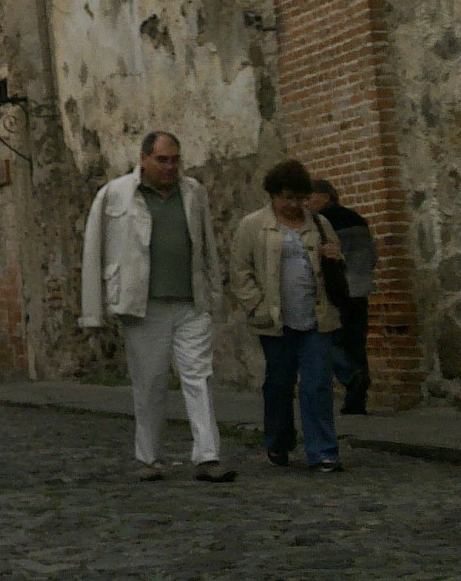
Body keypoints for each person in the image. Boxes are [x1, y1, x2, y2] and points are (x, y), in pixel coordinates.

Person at [79, 131, 235, 483]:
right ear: (144, 159)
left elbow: (206, 243)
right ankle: (148, 457)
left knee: (199, 376)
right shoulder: (115, 194)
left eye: (175, 159)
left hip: (190, 301)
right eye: (162, 160)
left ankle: (208, 455)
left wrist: (213, 293)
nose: (169, 167)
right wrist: (95, 309)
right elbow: (94, 251)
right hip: (142, 305)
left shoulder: (193, 192)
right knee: (150, 383)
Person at [230, 160, 345, 472]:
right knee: (279, 384)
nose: (294, 205)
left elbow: (336, 261)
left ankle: (322, 450)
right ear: (273, 196)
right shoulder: (253, 226)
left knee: (317, 384)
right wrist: (257, 305)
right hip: (276, 320)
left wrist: (334, 256)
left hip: (316, 316)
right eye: (287, 199)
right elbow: (241, 272)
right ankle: (279, 442)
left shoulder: (319, 224)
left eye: (300, 199)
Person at [307, 179, 375, 415]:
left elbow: (322, 260)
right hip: (360, 289)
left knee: (332, 342)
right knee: (356, 344)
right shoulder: (357, 219)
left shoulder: (323, 223)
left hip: (338, 292)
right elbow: (371, 256)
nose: (307, 203)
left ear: (326, 196)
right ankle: (356, 400)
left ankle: (351, 376)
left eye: (311, 196)